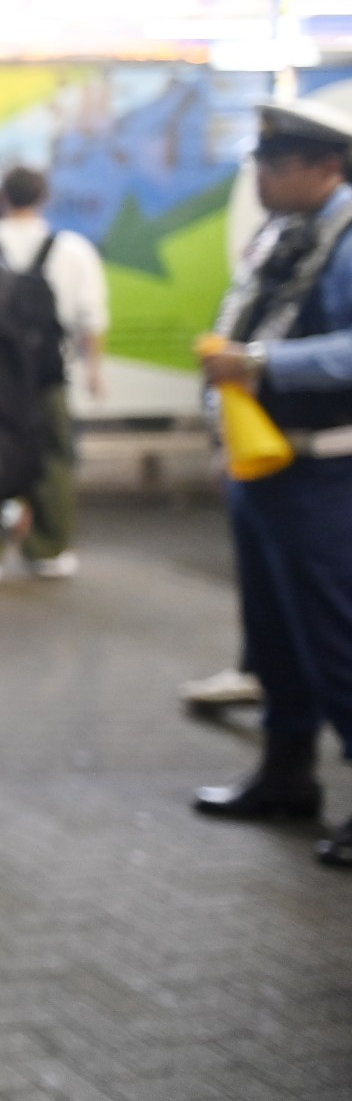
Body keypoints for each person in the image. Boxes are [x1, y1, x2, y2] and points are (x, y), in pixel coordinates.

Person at [194, 98, 352, 869]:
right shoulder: (282, 237)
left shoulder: (348, 238)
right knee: (275, 636)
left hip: (327, 470)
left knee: (336, 635)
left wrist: (262, 366)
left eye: (276, 165)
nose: (260, 176)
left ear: (327, 168)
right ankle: (286, 774)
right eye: (259, 162)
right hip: (266, 464)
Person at [0, 165, 108, 583]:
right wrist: (94, 371)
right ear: (44, 199)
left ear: (1, 198)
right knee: (54, 459)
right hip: (49, 375)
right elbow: (92, 316)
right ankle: (48, 549)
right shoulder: (72, 250)